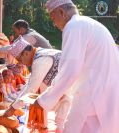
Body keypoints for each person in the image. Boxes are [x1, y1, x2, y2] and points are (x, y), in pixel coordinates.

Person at [32, 0, 119, 133]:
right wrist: (60, 92)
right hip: (106, 93)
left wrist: (44, 100)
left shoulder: (74, 26)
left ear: (61, 12)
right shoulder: (87, 24)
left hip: (93, 95)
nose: (54, 24)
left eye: (53, 18)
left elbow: (70, 70)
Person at [4, 36, 72, 131]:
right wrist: (14, 104)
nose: (21, 63)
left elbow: (31, 89)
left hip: (76, 86)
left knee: (67, 119)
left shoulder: (40, 59)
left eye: (20, 59)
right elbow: (29, 85)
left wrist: (12, 109)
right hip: (69, 86)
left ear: (26, 53)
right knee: (61, 117)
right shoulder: (39, 54)